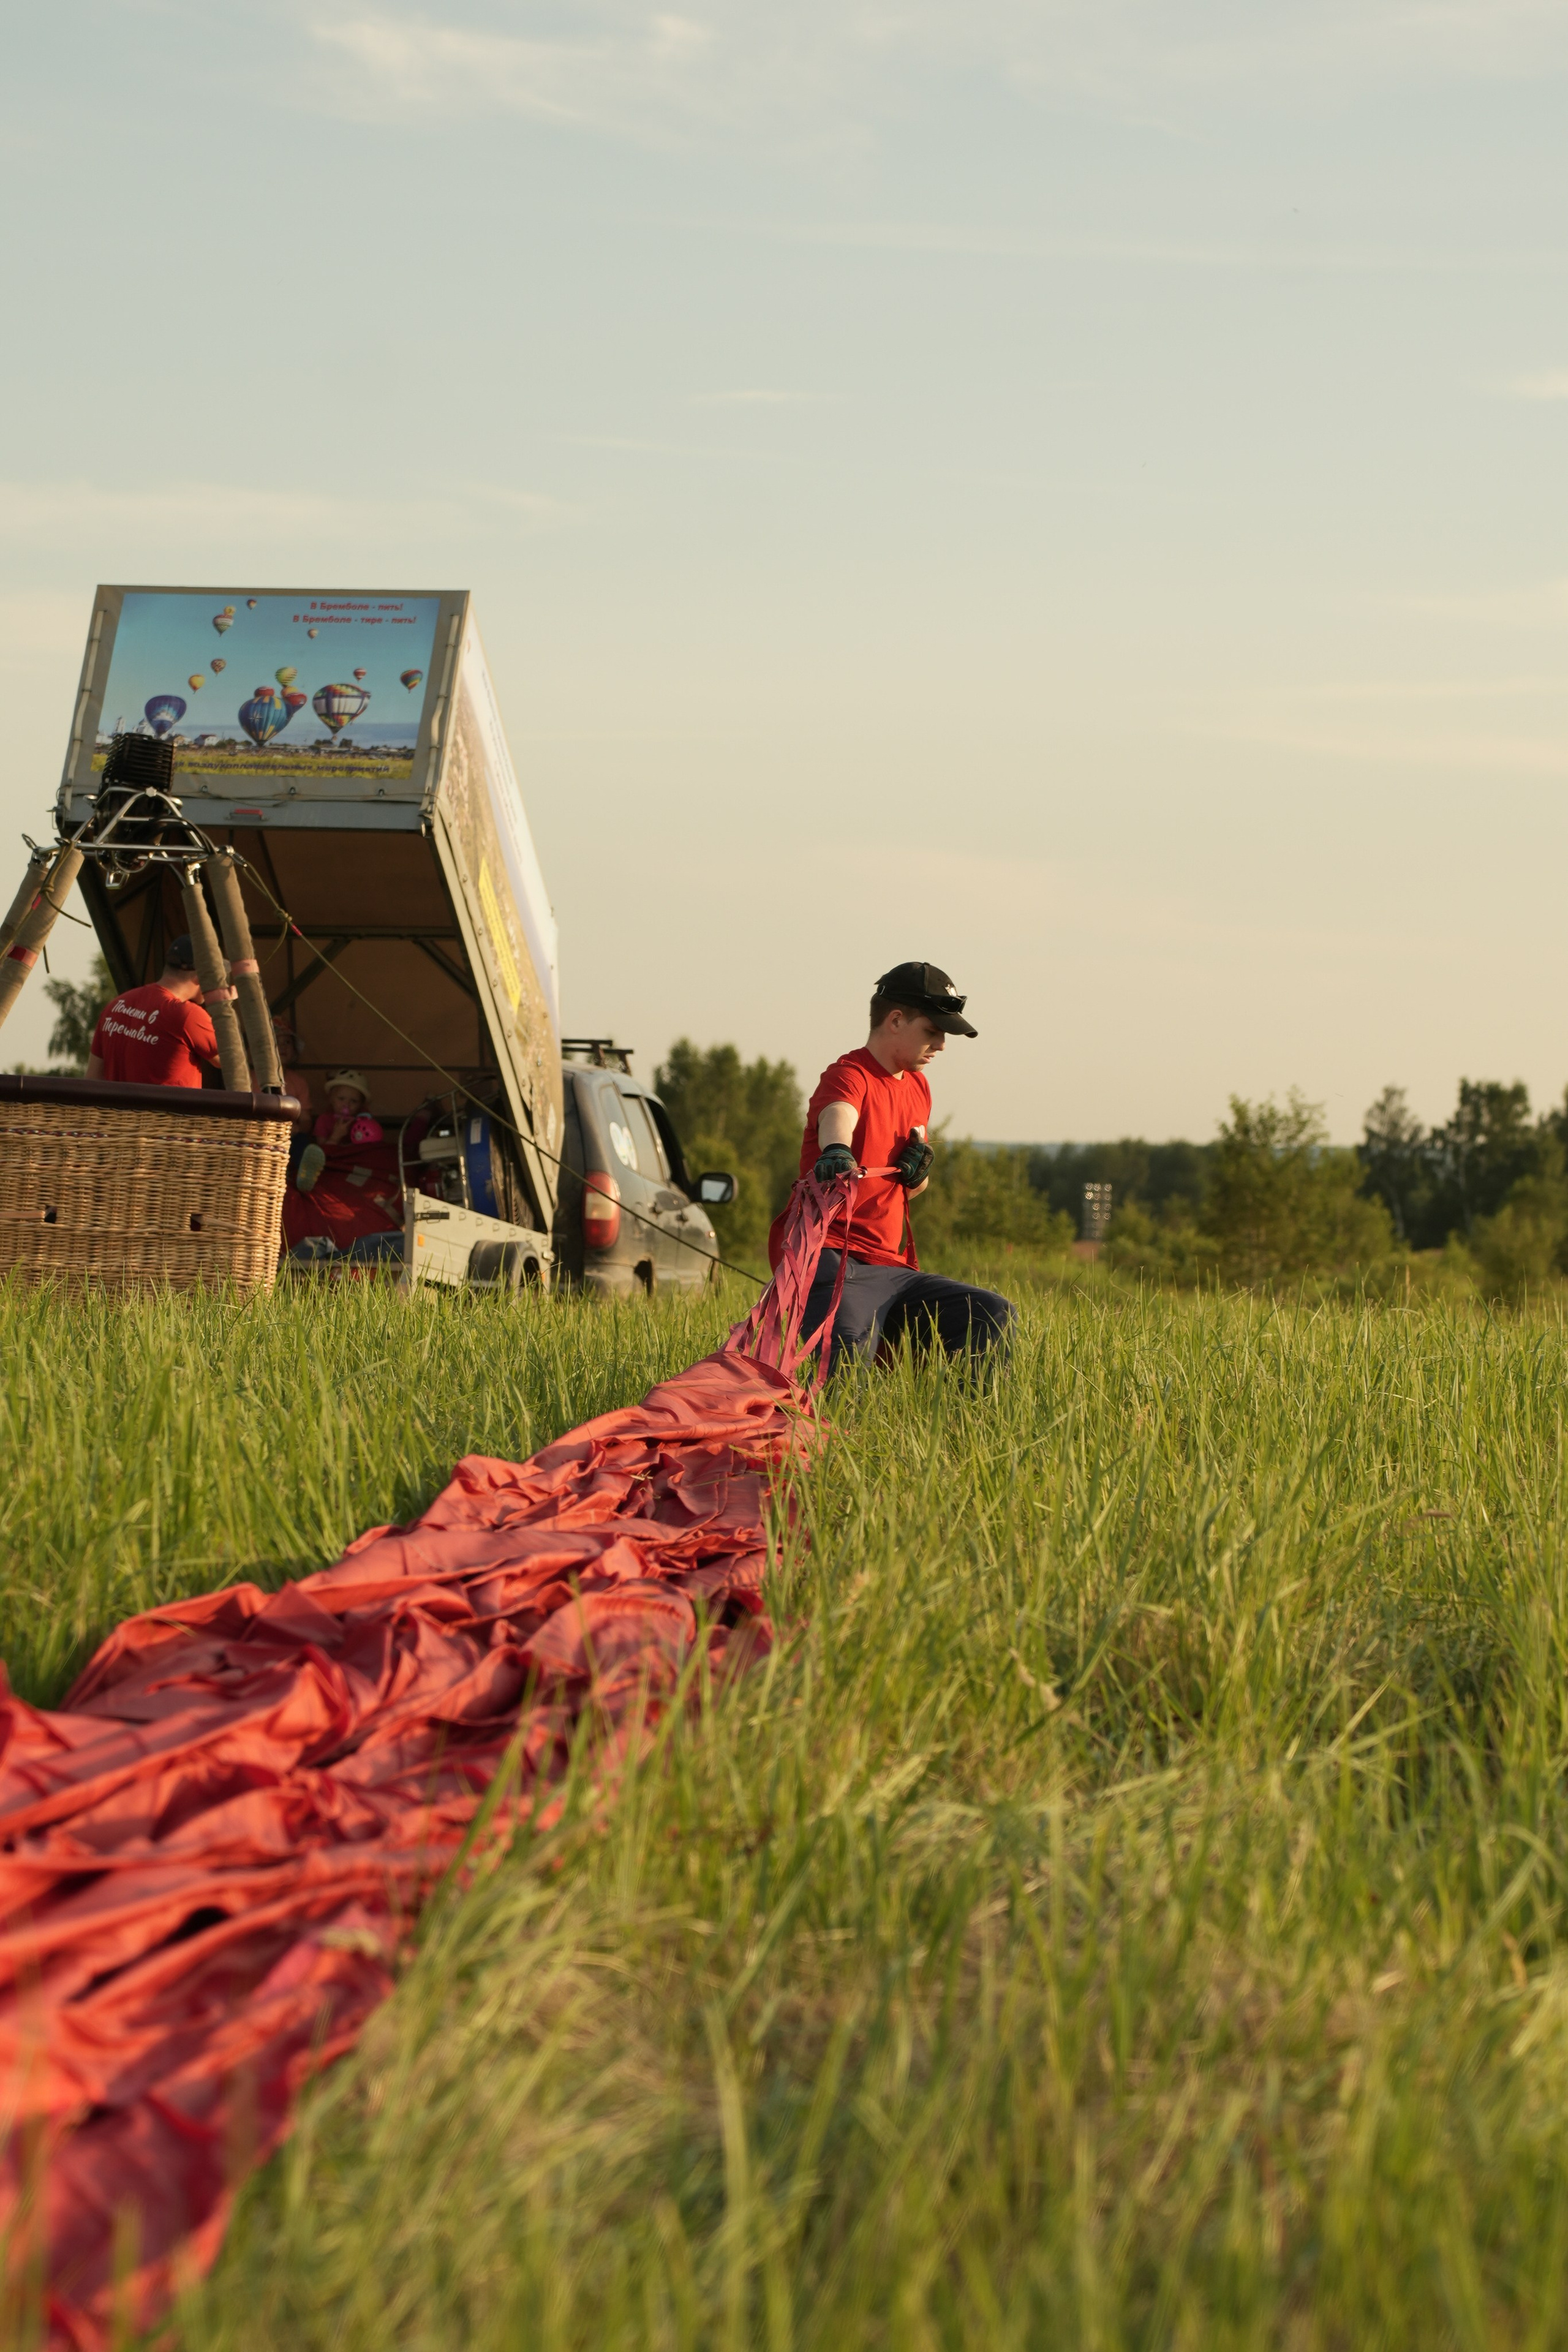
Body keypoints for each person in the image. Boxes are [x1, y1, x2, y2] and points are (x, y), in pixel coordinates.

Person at [777, 960, 1015, 1374]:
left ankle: (968, 1417)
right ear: (896, 1020)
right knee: (846, 1368)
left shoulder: (918, 1087)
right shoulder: (849, 1074)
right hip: (833, 1259)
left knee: (990, 1313)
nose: (941, 1045)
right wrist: (837, 1149)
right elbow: (838, 1114)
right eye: (933, 1031)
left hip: (892, 1267)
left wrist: (919, 1177)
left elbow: (910, 1190)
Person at [86, 937, 221, 1089]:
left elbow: (92, 1079)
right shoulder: (187, 1015)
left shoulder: (116, 1005)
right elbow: (232, 1059)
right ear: (201, 976)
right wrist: (223, 1004)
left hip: (118, 1106)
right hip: (171, 1106)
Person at [297, 1070, 382, 1194]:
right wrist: (336, 1136)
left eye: (354, 1101)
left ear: (361, 1105)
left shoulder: (363, 1120)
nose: (346, 1105)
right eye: (341, 1099)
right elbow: (321, 1153)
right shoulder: (324, 1120)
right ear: (331, 1099)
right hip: (332, 1162)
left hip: (355, 1162)